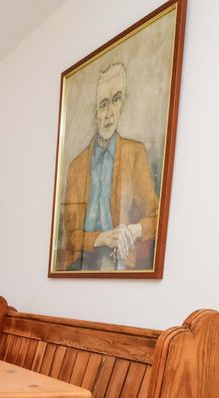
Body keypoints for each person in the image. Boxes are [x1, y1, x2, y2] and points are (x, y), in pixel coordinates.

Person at [60, 62, 159, 271]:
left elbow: (156, 217)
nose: (109, 114)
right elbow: (70, 236)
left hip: (122, 264)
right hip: (81, 265)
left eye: (115, 100)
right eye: (103, 104)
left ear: (123, 103)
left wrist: (134, 230)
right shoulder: (76, 167)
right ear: (94, 111)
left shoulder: (134, 154)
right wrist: (101, 238)